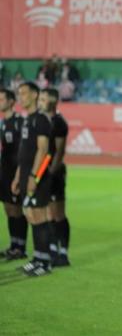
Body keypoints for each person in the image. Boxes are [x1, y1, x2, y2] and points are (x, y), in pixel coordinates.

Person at [12, 82, 55, 276]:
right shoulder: (27, 119)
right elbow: (24, 153)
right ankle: (37, 258)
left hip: (36, 177)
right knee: (30, 214)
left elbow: (43, 149)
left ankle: (44, 262)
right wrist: (17, 176)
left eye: (24, 93)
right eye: (19, 94)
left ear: (35, 95)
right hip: (25, 175)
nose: (21, 97)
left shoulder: (41, 120)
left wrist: (33, 176)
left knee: (38, 216)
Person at [38, 88, 71, 267]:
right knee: (47, 213)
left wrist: (51, 172)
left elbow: (58, 152)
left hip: (54, 173)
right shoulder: (41, 120)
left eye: (43, 98)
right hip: (42, 172)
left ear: (53, 100)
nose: (40, 101)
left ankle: (63, 252)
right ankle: (51, 248)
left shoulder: (59, 123)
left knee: (58, 213)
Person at [0, 88, 27, 260]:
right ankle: (13, 245)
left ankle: (21, 248)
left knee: (17, 209)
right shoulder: (2, 123)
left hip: (16, 171)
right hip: (4, 170)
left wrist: (18, 175)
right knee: (8, 209)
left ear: (11, 101)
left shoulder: (19, 122)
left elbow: (23, 152)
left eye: (1, 98)